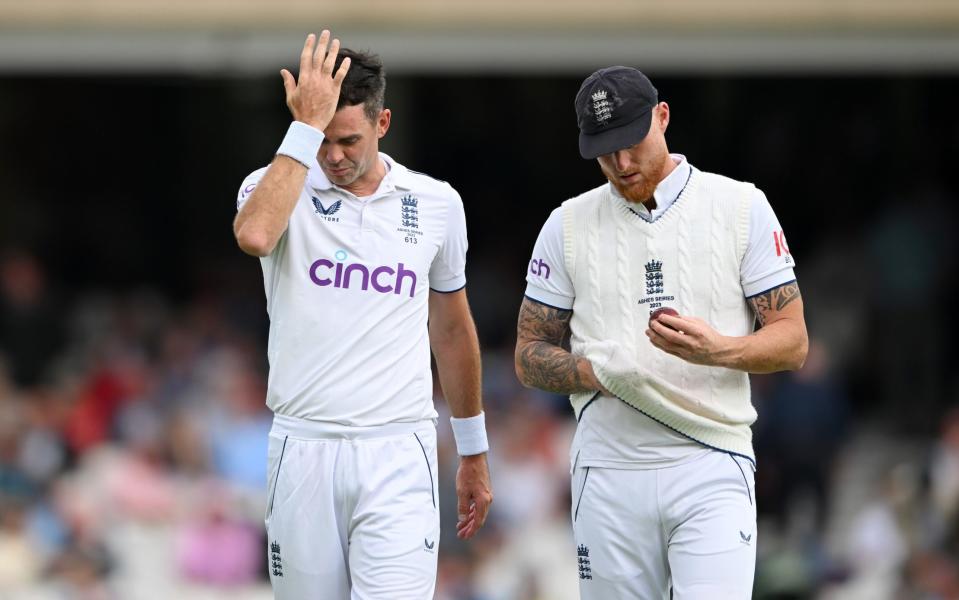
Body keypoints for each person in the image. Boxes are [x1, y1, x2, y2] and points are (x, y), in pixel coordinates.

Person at [514, 66, 808, 599]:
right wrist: (598, 372)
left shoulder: (740, 206)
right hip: (606, 467)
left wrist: (716, 349)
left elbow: (792, 341)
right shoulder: (567, 225)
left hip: (711, 457)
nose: (621, 164)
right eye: (605, 151)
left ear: (662, 116)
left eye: (631, 142)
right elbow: (529, 355)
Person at [233, 31, 492, 599]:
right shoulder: (275, 185)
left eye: (348, 140)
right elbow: (254, 235)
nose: (333, 156)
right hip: (302, 448)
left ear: (383, 123)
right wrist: (303, 129)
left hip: (398, 449)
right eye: (321, 140)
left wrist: (473, 449)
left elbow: (450, 330)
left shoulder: (437, 204)